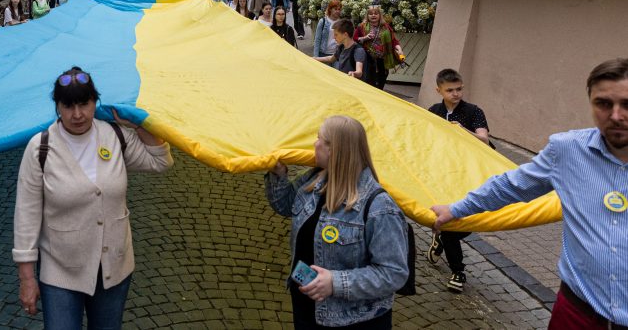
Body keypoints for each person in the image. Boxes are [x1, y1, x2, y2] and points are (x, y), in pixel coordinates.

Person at [432, 58, 628, 329]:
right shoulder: (567, 150)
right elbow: (510, 185)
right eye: (604, 104)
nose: (616, 115)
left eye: (626, 104)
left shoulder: (473, 111)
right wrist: (455, 209)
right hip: (577, 312)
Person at [13, 67, 173, 327]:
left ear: (95, 102)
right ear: (57, 107)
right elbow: (26, 215)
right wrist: (27, 278)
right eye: (68, 106)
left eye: (84, 104)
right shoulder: (40, 148)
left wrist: (137, 123)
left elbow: (160, 161)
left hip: (114, 267)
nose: (77, 115)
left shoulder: (114, 135)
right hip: (60, 271)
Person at [266, 115, 409, 329]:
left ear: (334, 150)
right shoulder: (314, 177)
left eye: (319, 139)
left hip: (353, 319)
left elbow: (393, 273)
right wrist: (279, 174)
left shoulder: (380, 207)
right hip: (307, 306)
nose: (314, 144)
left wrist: (335, 283)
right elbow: (285, 205)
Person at [425, 68, 492, 293]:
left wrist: (463, 131)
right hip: (442, 173)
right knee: (451, 223)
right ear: (439, 90)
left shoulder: (473, 112)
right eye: (450, 90)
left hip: (469, 173)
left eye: (459, 89)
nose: (456, 94)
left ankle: (442, 240)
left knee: (465, 222)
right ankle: (457, 270)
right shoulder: (433, 111)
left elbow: (483, 140)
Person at [354, 7, 405, 91]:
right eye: (371, 14)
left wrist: (399, 49)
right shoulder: (361, 26)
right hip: (368, 58)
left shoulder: (386, 27)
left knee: (382, 78)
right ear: (367, 15)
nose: (373, 15)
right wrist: (365, 38)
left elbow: (394, 41)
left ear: (379, 15)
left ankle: (379, 93)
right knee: (369, 79)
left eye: (376, 13)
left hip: (383, 58)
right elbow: (354, 39)